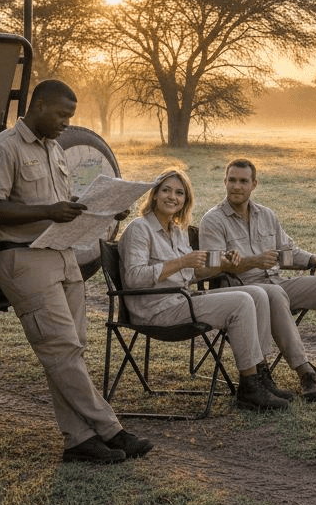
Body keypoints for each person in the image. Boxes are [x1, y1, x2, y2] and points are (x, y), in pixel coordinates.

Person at [0, 79, 152, 464]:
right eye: (61, 115)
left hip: (62, 255)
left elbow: (58, 203)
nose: (66, 124)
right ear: (37, 106)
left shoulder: (54, 148)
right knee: (62, 350)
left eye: (70, 117)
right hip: (24, 259)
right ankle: (111, 429)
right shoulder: (2, 148)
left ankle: (77, 440)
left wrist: (99, 208)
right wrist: (48, 212)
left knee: (70, 352)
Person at [198, 158, 316, 401]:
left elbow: (285, 254)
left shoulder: (267, 215)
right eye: (232, 180)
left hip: (277, 282)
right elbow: (213, 267)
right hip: (245, 291)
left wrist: (311, 259)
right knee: (272, 295)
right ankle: (305, 372)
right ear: (224, 181)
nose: (237, 186)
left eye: (243, 181)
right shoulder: (213, 220)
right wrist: (253, 261)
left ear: (254, 184)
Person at [117, 168, 289, 411]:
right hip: (156, 310)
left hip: (182, 300)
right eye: (166, 190)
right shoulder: (139, 229)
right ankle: (249, 389)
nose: (172, 197)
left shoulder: (177, 231)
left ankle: (260, 376)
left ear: (185, 200)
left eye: (179, 193)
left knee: (256, 294)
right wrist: (181, 262)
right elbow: (134, 278)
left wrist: (223, 264)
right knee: (240, 301)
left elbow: (193, 275)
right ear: (154, 195)